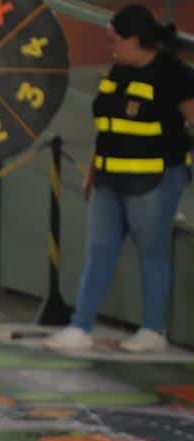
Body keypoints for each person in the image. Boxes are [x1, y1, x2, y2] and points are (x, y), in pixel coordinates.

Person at [46, 5, 194, 354]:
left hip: (154, 180)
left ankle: (153, 329)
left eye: (116, 41)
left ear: (136, 40)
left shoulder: (174, 74)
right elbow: (108, 128)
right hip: (109, 179)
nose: (111, 48)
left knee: (151, 253)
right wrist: (94, 171)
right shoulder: (118, 71)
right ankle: (81, 325)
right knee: (99, 250)